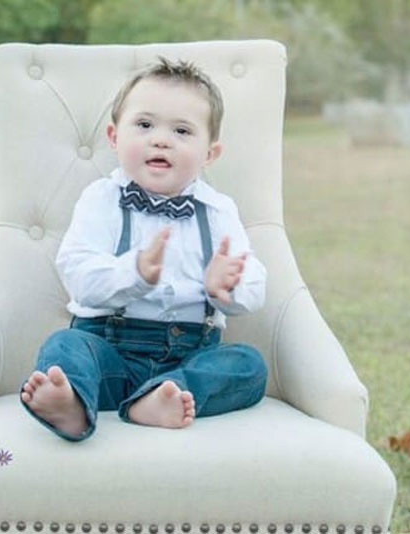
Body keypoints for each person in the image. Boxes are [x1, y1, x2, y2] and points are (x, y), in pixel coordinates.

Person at [20, 57, 268, 441]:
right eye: (145, 124)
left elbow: (253, 280)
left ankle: (160, 398)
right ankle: (73, 406)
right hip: (109, 353)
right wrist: (132, 273)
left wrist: (226, 289)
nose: (161, 139)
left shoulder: (220, 211)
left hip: (190, 355)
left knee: (248, 366)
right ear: (114, 137)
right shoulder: (100, 199)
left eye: (182, 131)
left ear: (209, 154)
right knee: (64, 346)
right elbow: (78, 275)